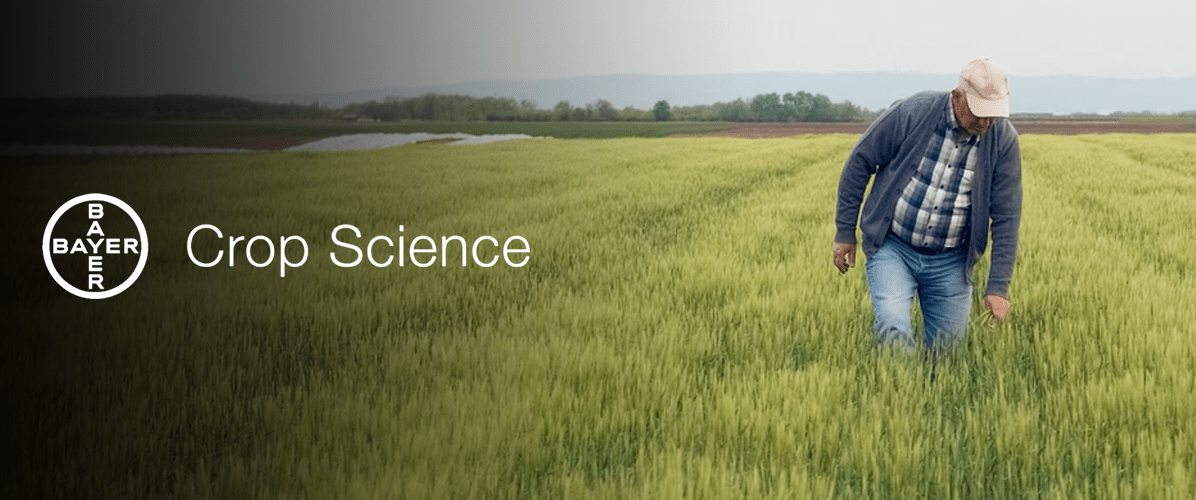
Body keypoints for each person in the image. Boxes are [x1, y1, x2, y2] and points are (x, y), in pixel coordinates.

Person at [832, 58, 1022, 355]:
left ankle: (927, 397)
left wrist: (997, 286)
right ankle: (898, 395)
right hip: (894, 247)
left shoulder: (1003, 140)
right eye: (979, 114)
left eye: (993, 115)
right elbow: (860, 162)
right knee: (893, 332)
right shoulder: (913, 112)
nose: (985, 123)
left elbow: (1007, 216)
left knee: (947, 356)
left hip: (951, 262)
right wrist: (845, 232)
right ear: (957, 96)